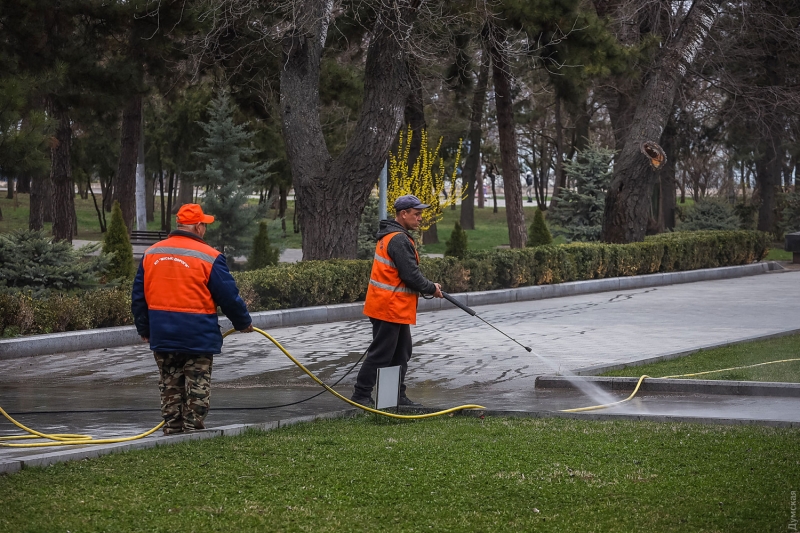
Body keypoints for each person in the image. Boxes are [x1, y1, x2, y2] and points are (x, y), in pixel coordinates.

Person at [131, 203, 253, 435]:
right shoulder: (210, 257)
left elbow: (138, 297)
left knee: (170, 384)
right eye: (204, 225)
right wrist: (243, 323)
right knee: (197, 385)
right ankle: (192, 432)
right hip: (197, 335)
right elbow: (228, 296)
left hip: (163, 332)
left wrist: (144, 328)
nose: (204, 229)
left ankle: (172, 430)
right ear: (198, 227)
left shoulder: (152, 253)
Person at [351, 194, 444, 407]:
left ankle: (394, 397)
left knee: (401, 353)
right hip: (388, 307)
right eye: (416, 214)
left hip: (395, 307)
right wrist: (432, 288)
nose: (420, 218)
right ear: (403, 214)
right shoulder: (398, 239)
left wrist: (429, 288)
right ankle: (361, 395)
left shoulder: (395, 236)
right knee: (382, 354)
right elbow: (410, 275)